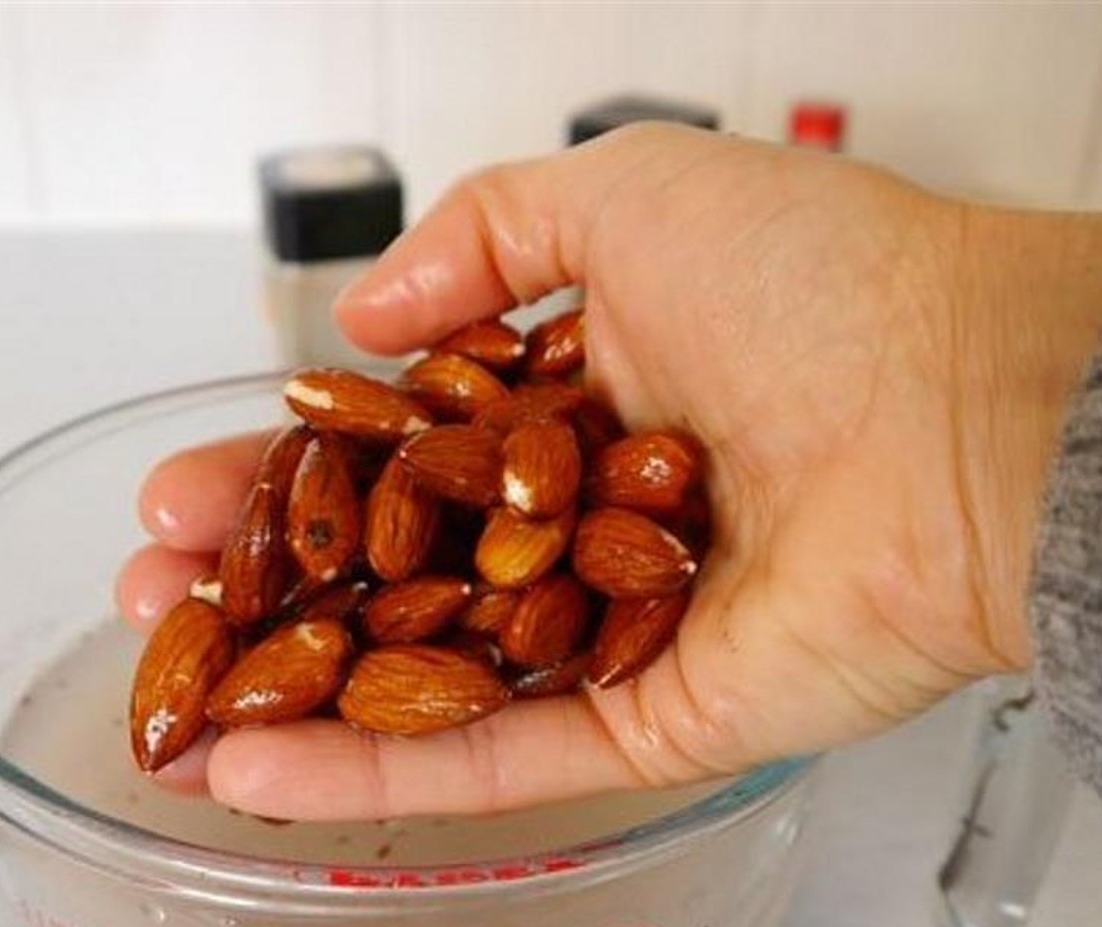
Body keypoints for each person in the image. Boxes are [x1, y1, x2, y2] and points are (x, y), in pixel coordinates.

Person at [117, 124, 1102, 821]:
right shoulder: (403, 506)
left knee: (497, 564)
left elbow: (512, 520)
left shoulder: (540, 496)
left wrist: (981, 424)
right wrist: (980, 458)